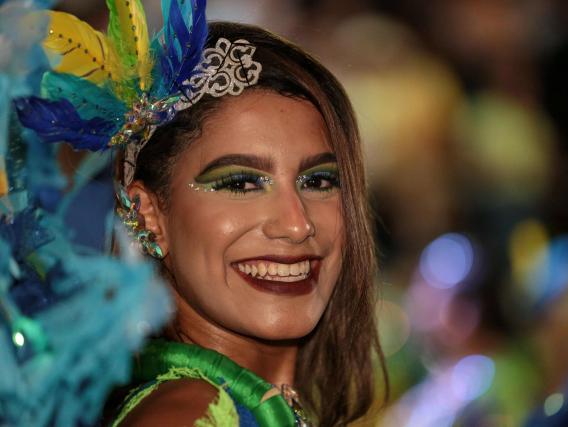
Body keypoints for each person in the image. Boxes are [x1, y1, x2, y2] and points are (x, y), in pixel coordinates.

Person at [14, 1, 386, 426]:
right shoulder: (188, 414)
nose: (297, 224)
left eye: (318, 181)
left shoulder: (252, 402)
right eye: (241, 183)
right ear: (147, 213)